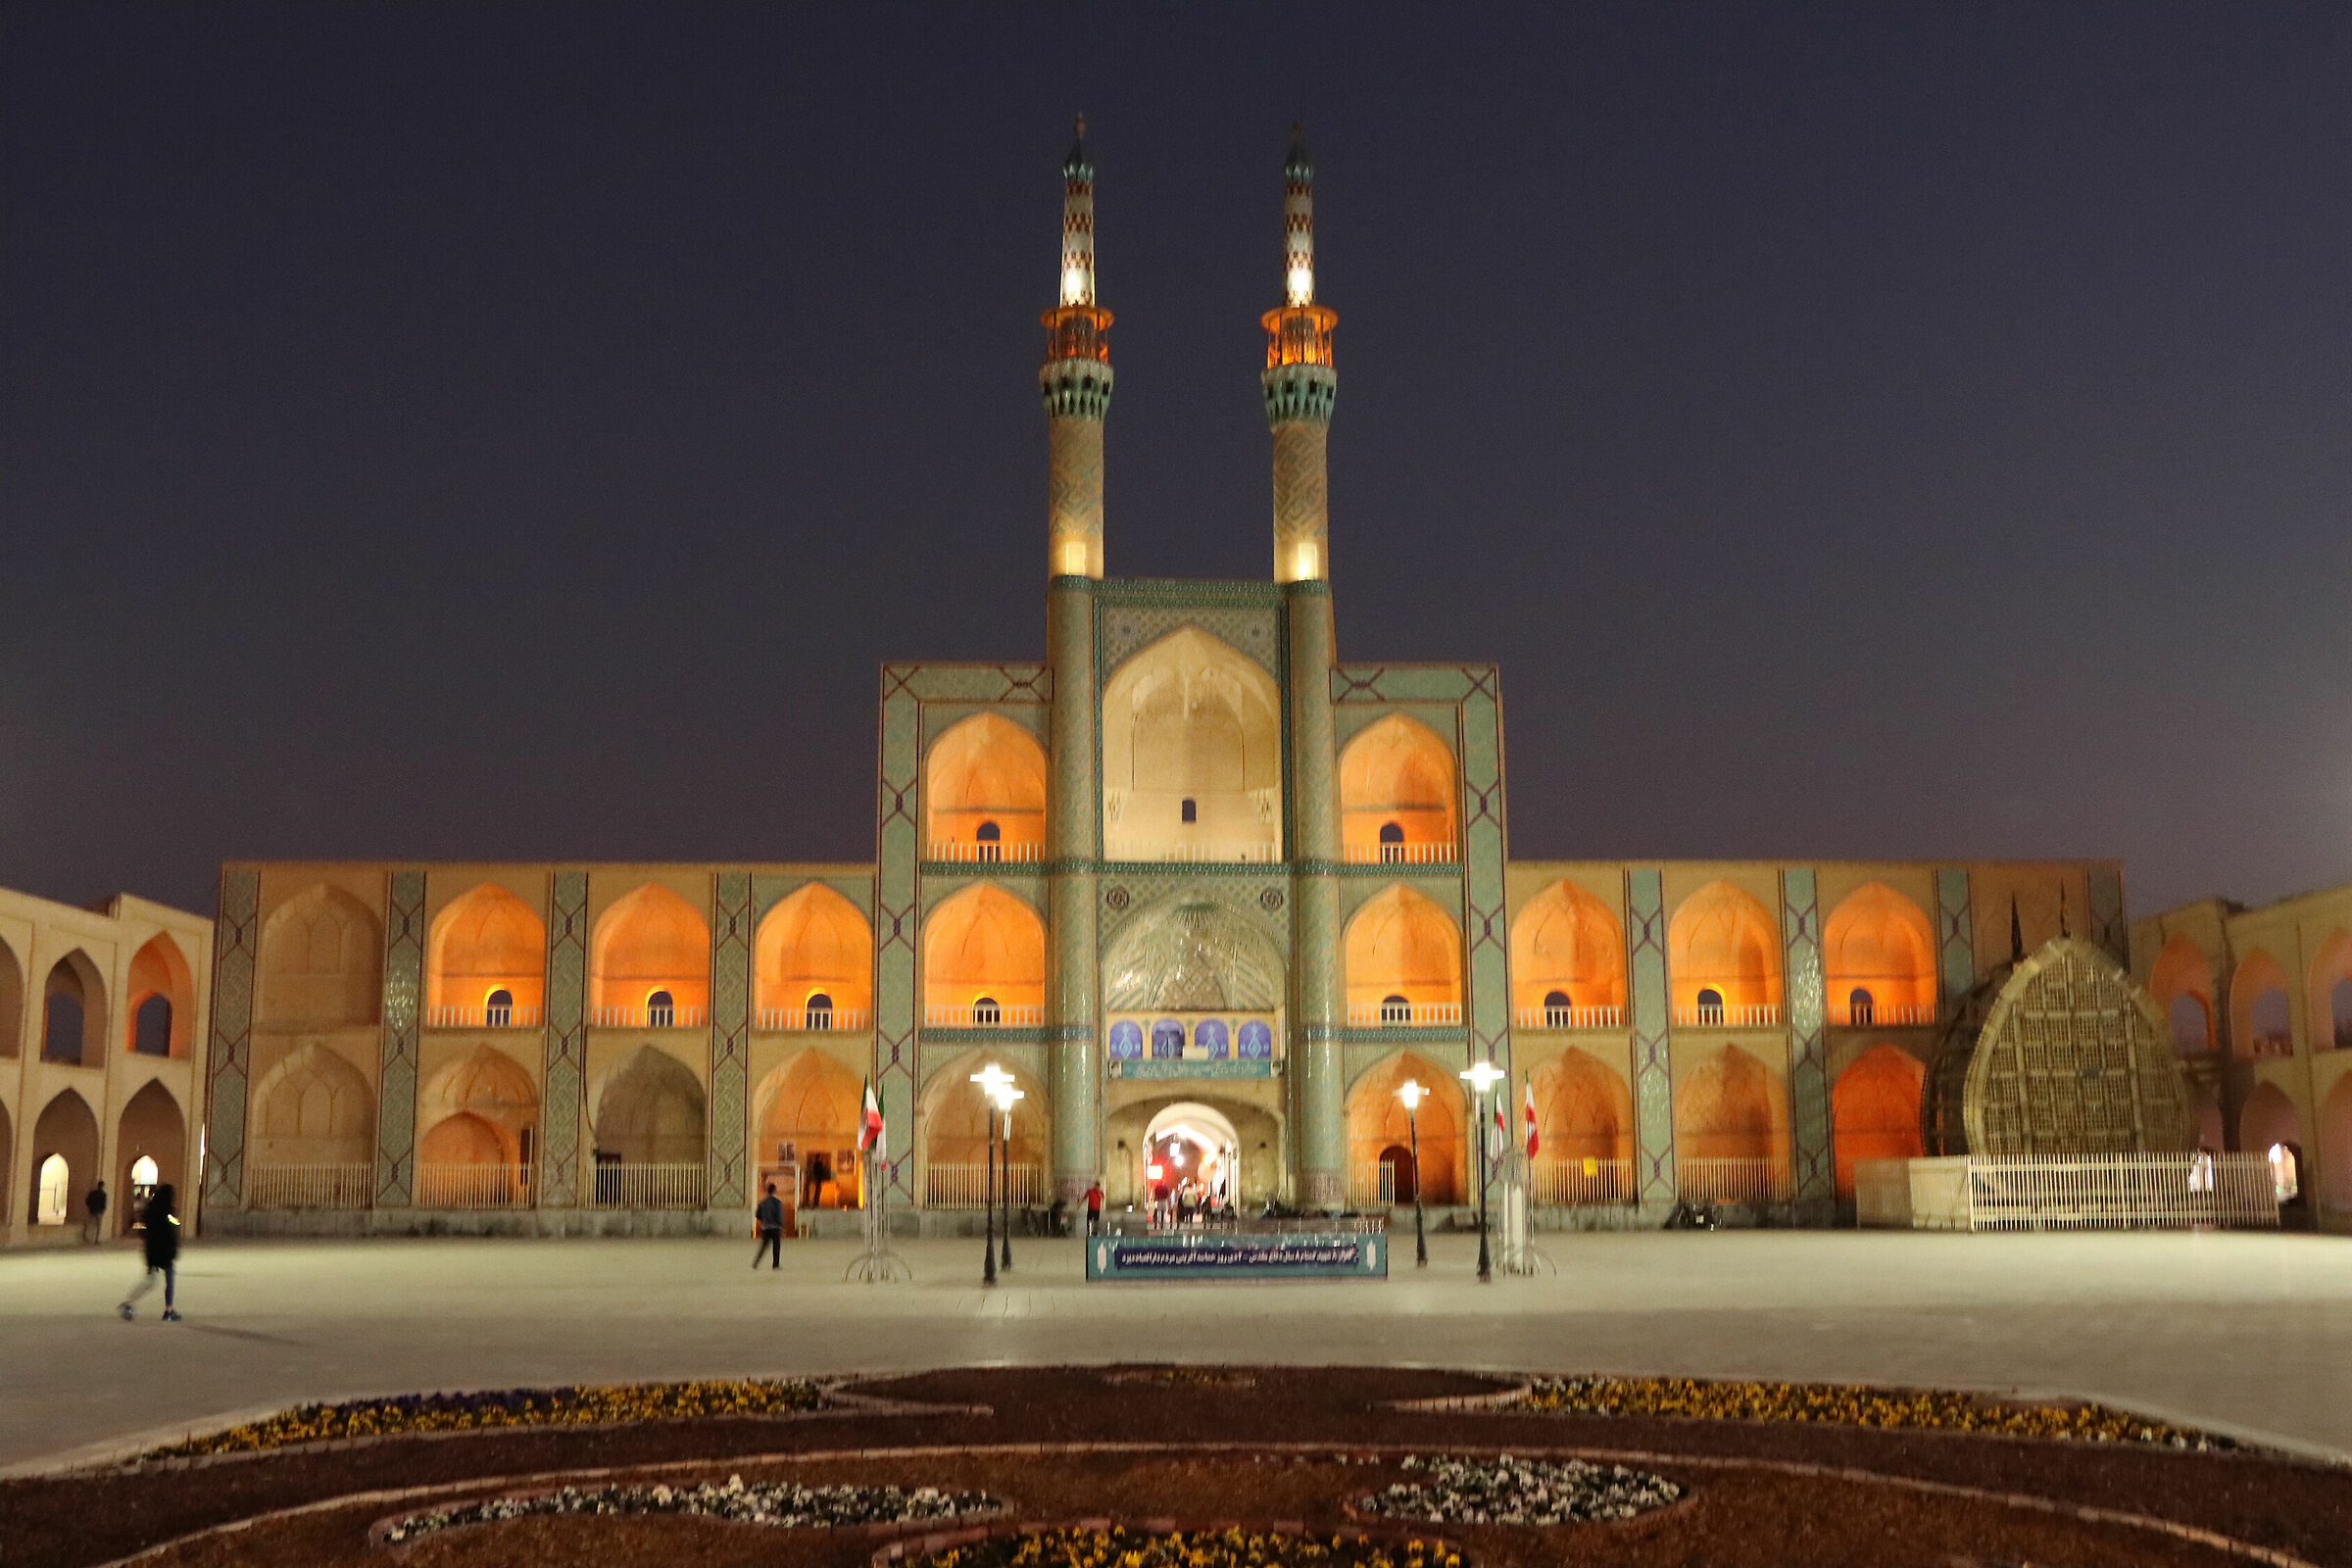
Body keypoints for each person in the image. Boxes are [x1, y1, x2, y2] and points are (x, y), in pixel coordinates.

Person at [118, 1184, 180, 1321]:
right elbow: (173, 1227)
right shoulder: (167, 1210)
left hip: (152, 1250)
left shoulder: (150, 1209)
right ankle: (168, 1310)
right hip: (165, 1251)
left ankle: (129, 1303)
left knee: (150, 1280)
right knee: (169, 1280)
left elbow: (145, 1228)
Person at [753, 1181, 785, 1270]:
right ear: (774, 1191)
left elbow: (757, 1215)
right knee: (776, 1247)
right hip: (775, 1227)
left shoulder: (762, 1203)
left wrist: (763, 1220)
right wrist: (781, 1226)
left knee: (763, 1246)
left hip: (765, 1227)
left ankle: (756, 1262)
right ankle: (775, 1265)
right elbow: (779, 1215)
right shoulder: (777, 1202)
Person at [82, 1180, 108, 1245]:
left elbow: (87, 1201)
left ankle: (86, 1237)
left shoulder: (92, 1193)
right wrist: (103, 1209)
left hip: (92, 1210)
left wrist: (90, 1207)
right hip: (99, 1211)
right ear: (103, 1186)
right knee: (98, 1226)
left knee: (89, 1224)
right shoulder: (103, 1194)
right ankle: (96, 1240)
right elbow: (103, 1204)